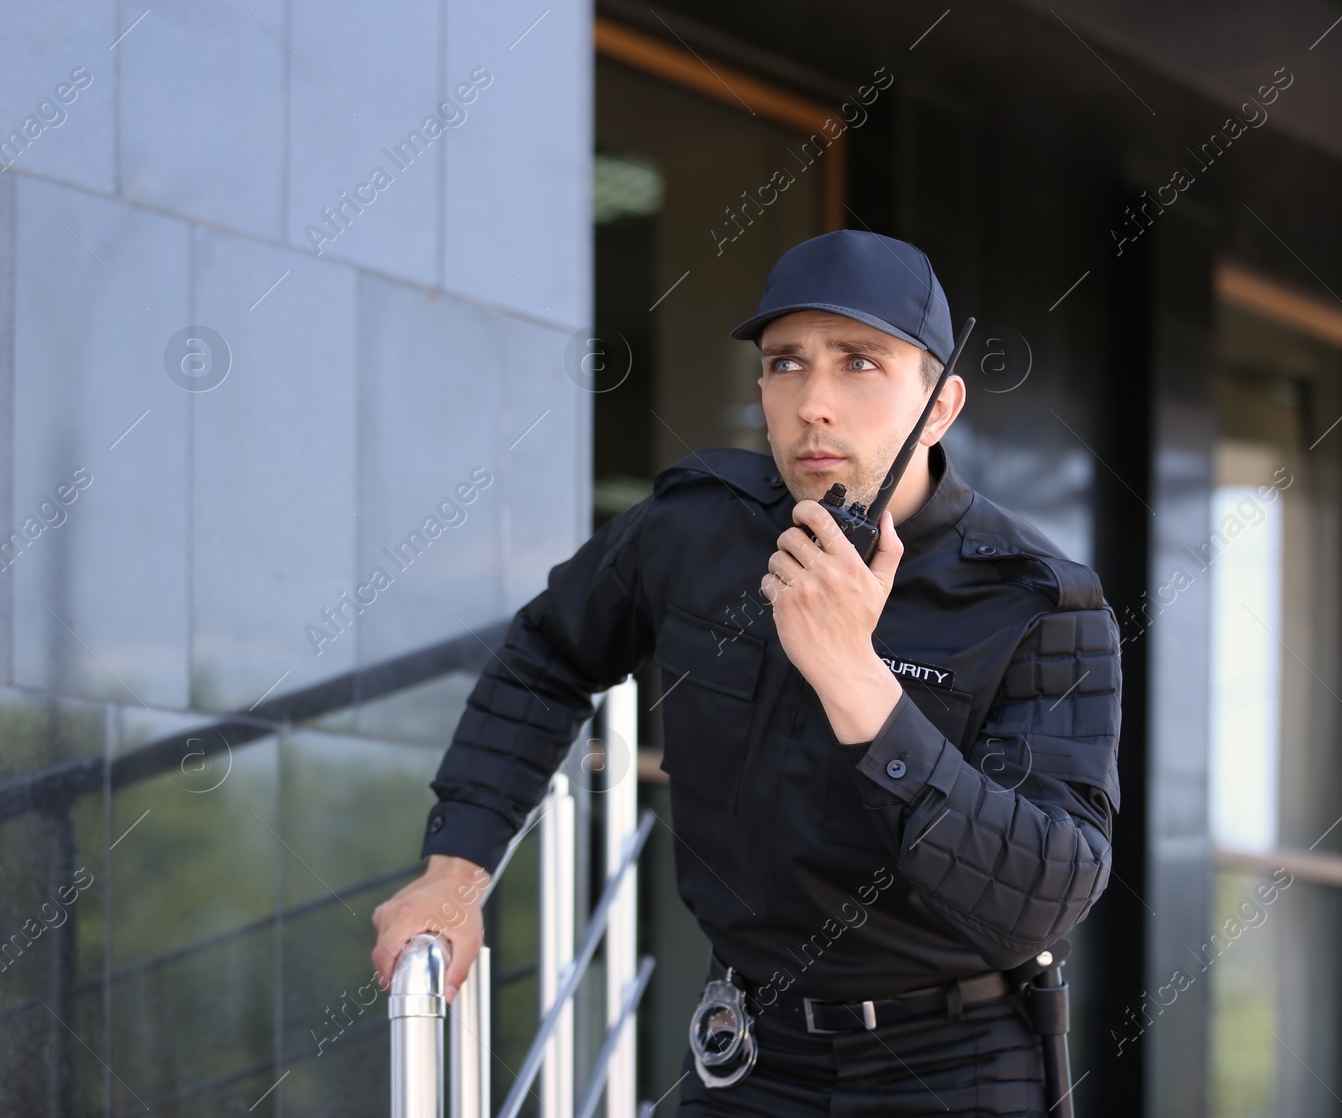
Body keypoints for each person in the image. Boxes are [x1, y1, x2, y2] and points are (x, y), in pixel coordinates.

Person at [371, 229, 1122, 1116]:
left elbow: (1045, 893)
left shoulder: (1037, 602)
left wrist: (857, 681)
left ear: (942, 404)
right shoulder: (696, 529)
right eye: (786, 364)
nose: (814, 405)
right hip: (751, 1054)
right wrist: (455, 870)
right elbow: (546, 655)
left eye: (860, 363)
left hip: (956, 1065)